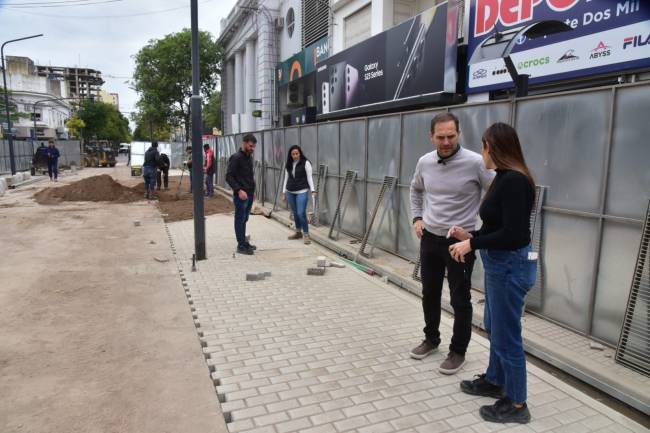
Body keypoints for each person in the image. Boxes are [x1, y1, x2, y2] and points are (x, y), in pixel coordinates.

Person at [449, 123, 536, 424]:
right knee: (493, 326)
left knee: (507, 336)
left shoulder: (514, 181)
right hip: (499, 263)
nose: (482, 152)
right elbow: (495, 227)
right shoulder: (501, 178)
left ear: (493, 147)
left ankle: (516, 405)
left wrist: (472, 243)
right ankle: (495, 380)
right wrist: (469, 235)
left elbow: (513, 235)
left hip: (510, 265)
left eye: (484, 146)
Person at [409, 112, 494, 374]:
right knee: (429, 293)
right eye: (440, 137)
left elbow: (494, 193)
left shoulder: (476, 162)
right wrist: (417, 217)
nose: (446, 142)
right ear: (431, 137)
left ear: (459, 134)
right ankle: (431, 339)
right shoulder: (425, 162)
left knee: (460, 298)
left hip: (459, 244)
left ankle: (458, 351)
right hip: (430, 239)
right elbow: (415, 189)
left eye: (451, 136)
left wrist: (478, 232)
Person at [226, 134, 257, 255]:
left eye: (254, 146)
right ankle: (240, 245)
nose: (252, 148)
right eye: (250, 146)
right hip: (241, 195)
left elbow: (249, 177)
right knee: (239, 219)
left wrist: (252, 192)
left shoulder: (249, 157)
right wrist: (239, 190)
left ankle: (244, 241)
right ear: (244, 143)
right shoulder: (236, 157)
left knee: (245, 219)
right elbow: (228, 176)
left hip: (249, 194)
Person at [282, 145, 316, 245]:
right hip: (290, 191)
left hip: (302, 191)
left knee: (301, 213)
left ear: (300, 153)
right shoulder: (288, 164)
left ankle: (306, 234)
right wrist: (283, 192)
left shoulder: (306, 163)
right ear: (290, 155)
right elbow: (286, 178)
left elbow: (309, 178)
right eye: (293, 154)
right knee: (295, 213)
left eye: (297, 153)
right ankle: (298, 232)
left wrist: (313, 190)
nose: (295, 155)